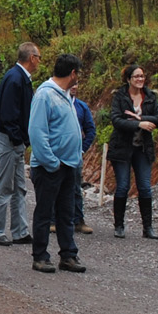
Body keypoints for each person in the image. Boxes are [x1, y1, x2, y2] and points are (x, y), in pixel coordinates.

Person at [26, 53, 87, 274]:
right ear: (72, 73)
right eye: (77, 73)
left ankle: (68, 254)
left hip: (68, 165)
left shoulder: (64, 95)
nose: (78, 78)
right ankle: (40, 256)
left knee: (66, 212)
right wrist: (51, 162)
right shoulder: (45, 95)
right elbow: (37, 132)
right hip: (50, 166)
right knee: (44, 212)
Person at [0, 42, 39, 245]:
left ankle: (20, 230)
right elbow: (8, 114)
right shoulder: (15, 78)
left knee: (19, 187)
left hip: (15, 140)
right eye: (39, 57)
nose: (39, 61)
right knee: (4, 186)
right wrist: (19, 139)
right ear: (31, 57)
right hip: (9, 139)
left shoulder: (20, 78)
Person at [108, 62, 158, 238]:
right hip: (122, 148)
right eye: (136, 76)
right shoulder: (120, 97)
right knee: (123, 186)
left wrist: (141, 117)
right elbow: (116, 120)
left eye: (142, 76)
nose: (140, 79)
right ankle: (119, 225)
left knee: (145, 187)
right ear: (128, 79)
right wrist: (138, 124)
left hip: (143, 148)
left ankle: (148, 228)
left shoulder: (150, 96)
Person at [71, 94, 97, 233]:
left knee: (75, 187)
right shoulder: (54, 102)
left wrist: (82, 149)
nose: (74, 86)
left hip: (75, 154)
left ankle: (78, 220)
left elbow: (90, 130)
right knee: (54, 186)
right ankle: (52, 219)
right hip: (58, 152)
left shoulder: (81, 106)